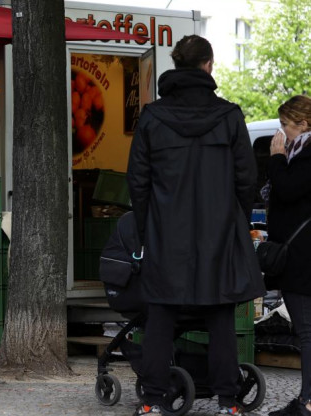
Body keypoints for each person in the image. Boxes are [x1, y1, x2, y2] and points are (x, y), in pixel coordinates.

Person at [126, 35, 265, 416]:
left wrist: (146, 227)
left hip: (165, 231)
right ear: (209, 65)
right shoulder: (230, 115)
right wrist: (233, 219)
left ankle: (153, 400)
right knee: (220, 314)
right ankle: (228, 401)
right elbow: (246, 179)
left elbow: (137, 181)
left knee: (161, 315)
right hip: (218, 231)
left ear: (176, 65)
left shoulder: (153, 117)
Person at [265, 95, 311, 416]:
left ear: (303, 124)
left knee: (307, 332)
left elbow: (288, 189)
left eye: (285, 125)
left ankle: (307, 402)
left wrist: (277, 158)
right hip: (300, 257)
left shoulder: (305, 154)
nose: (281, 132)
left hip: (302, 259)